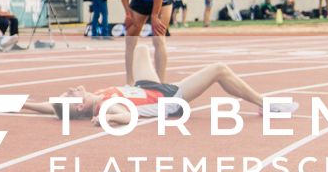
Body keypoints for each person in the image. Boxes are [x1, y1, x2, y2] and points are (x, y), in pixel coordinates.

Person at [19, 39, 285, 125]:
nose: (72, 88)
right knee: (219, 69)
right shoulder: (105, 107)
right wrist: (107, 119)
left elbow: (51, 107)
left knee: (142, 49)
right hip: (169, 98)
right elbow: (125, 117)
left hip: (147, 87)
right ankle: (265, 104)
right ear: (79, 107)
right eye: (71, 94)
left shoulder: (95, 98)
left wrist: (26, 104)